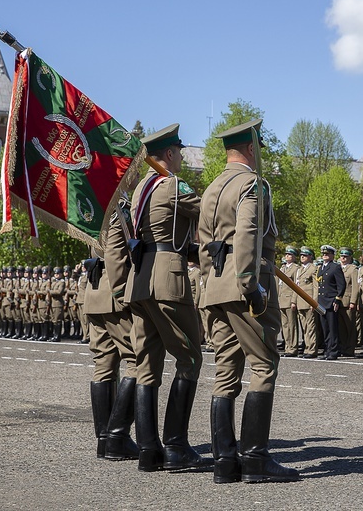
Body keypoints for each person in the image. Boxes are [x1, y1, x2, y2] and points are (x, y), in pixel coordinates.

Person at [199, 119, 297, 484]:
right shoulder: (252, 184)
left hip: (215, 288)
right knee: (264, 364)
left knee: (225, 372)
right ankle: (255, 458)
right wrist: (249, 284)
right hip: (246, 285)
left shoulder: (211, 188)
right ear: (252, 148)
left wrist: (210, 284)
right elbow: (249, 235)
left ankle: (225, 462)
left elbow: (204, 245)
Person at [124, 123, 207, 472]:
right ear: (169, 154)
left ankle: (148, 451)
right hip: (167, 278)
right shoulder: (172, 184)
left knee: (147, 365)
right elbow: (208, 211)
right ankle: (175, 446)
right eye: (181, 152)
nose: (183, 157)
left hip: (140, 279)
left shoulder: (143, 186)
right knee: (190, 358)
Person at [85, 198, 140, 461]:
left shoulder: (94, 205)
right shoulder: (117, 207)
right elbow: (117, 254)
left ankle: (104, 440)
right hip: (113, 294)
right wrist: (123, 295)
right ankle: (117, 437)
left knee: (104, 365)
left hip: (95, 293)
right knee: (137, 361)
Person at [316, 245, 346, 360]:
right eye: (323, 254)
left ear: (333, 255)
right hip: (322, 301)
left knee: (332, 328)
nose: (325, 256)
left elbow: (341, 285)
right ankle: (327, 350)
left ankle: (333, 351)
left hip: (331, 301)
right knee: (325, 328)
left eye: (327, 254)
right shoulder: (320, 268)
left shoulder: (335, 267)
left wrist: (337, 299)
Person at [295, 247, 319, 358]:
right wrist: (294, 301)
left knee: (310, 327)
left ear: (310, 257)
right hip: (300, 301)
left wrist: (314, 302)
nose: (302, 257)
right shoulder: (299, 270)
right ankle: (307, 347)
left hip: (308, 301)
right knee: (304, 327)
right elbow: (296, 286)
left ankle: (312, 349)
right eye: (301, 255)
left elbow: (316, 286)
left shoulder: (313, 268)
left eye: (305, 255)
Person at [278, 247, 299, 357]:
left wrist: (294, 301)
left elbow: (296, 286)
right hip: (281, 299)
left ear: (294, 257)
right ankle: (287, 346)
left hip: (289, 298)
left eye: (290, 255)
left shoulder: (296, 269)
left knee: (292, 325)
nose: (287, 256)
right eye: (286, 254)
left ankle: (293, 347)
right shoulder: (282, 268)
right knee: (285, 326)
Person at [337, 247, 359, 357]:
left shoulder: (353, 269)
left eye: (345, 256)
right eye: (342, 256)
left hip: (348, 300)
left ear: (350, 257)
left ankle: (350, 349)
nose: (343, 258)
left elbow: (355, 286)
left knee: (349, 326)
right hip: (339, 302)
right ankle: (342, 347)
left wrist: (353, 301)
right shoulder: (338, 268)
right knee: (341, 328)